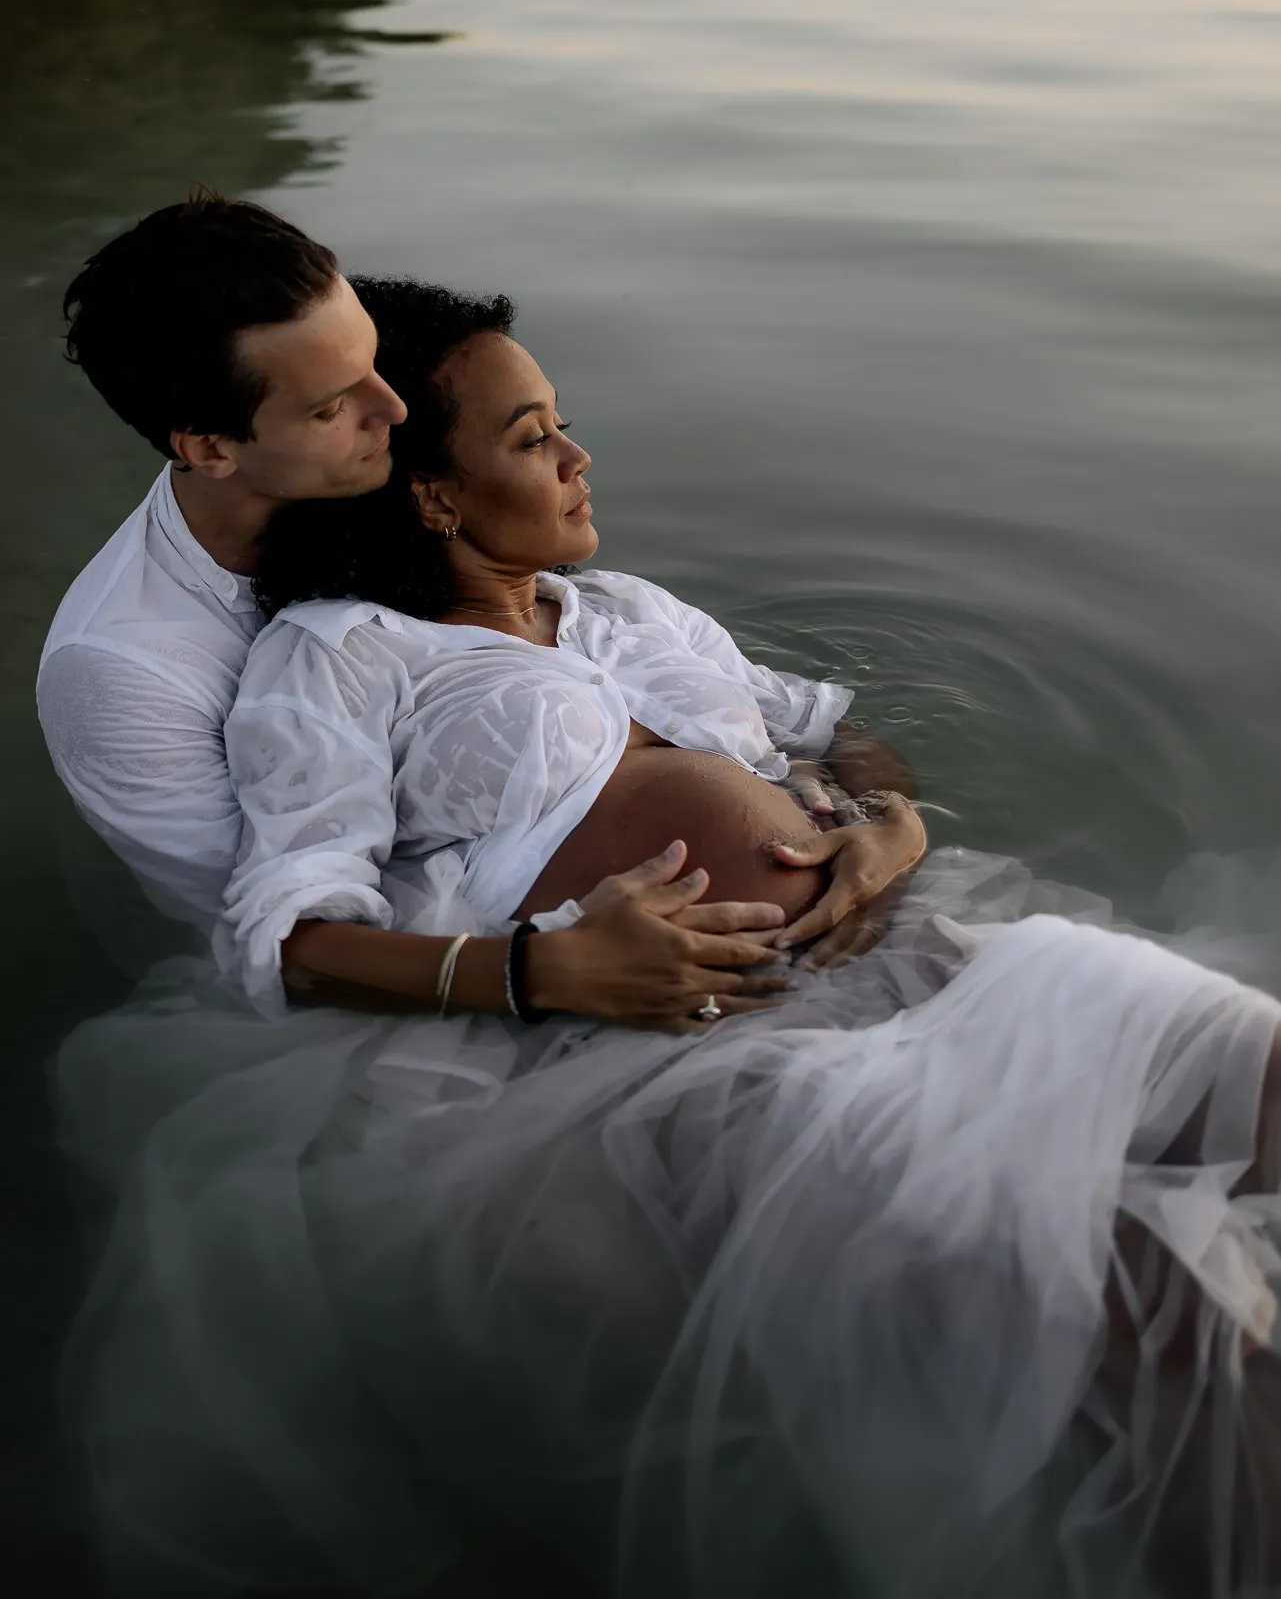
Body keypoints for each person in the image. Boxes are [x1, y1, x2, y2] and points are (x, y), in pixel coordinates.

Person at [56, 273, 1281, 1598]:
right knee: (1149, 1300)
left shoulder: (629, 609)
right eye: (530, 439)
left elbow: (829, 719)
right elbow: (285, 933)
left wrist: (888, 824)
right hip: (717, 1048)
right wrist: (543, 969)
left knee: (1265, 1081)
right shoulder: (347, 655)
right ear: (433, 494)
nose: (578, 458)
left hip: (928, 952)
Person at [38, 189, 907, 1005]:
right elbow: (269, 940)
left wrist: (876, 822)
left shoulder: (525, 575)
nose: (394, 406)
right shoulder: (126, 670)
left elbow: (770, 719)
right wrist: (544, 975)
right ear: (212, 448)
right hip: (525, 1013)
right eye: (337, 402)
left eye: (376, 362)